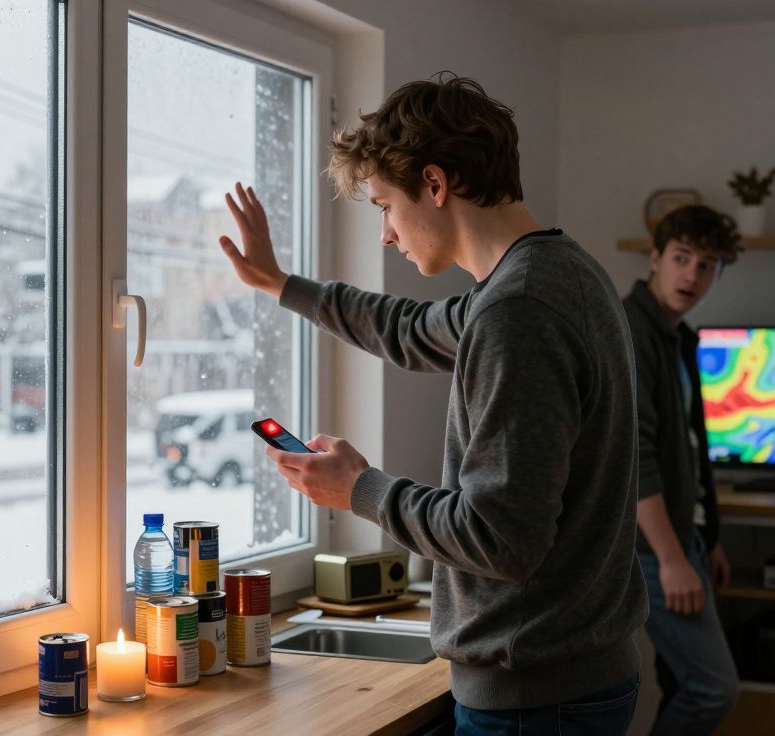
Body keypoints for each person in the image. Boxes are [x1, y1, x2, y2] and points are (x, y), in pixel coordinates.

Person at [217, 74, 647, 736]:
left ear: (436, 185)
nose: (386, 234)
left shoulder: (518, 312)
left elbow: (501, 538)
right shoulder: (555, 275)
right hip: (572, 675)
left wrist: (358, 489)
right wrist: (281, 284)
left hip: (535, 697)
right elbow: (407, 329)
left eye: (385, 206)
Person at [622, 205, 743, 735]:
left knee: (681, 681)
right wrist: (672, 559)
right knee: (712, 688)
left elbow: (691, 447)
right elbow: (636, 455)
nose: (692, 275)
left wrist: (704, 536)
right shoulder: (632, 330)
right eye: (682, 258)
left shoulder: (679, 336)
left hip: (679, 534)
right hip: (651, 546)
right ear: (656, 258)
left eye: (708, 264)